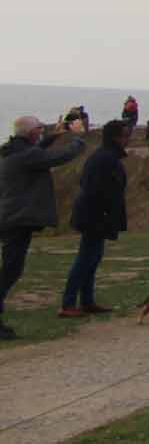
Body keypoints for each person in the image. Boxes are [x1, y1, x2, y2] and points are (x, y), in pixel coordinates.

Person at [1, 113, 87, 340]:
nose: (42, 130)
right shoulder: (27, 156)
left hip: (11, 217)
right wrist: (78, 137)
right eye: (39, 128)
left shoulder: (13, 150)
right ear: (31, 133)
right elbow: (61, 156)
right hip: (18, 219)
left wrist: (52, 136)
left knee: (10, 269)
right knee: (10, 271)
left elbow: (36, 151)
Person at [61, 119, 129, 317]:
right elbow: (93, 188)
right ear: (116, 137)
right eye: (125, 135)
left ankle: (87, 301)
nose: (128, 139)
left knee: (93, 259)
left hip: (96, 214)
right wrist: (106, 212)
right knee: (85, 259)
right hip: (94, 215)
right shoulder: (105, 158)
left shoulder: (106, 156)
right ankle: (68, 304)